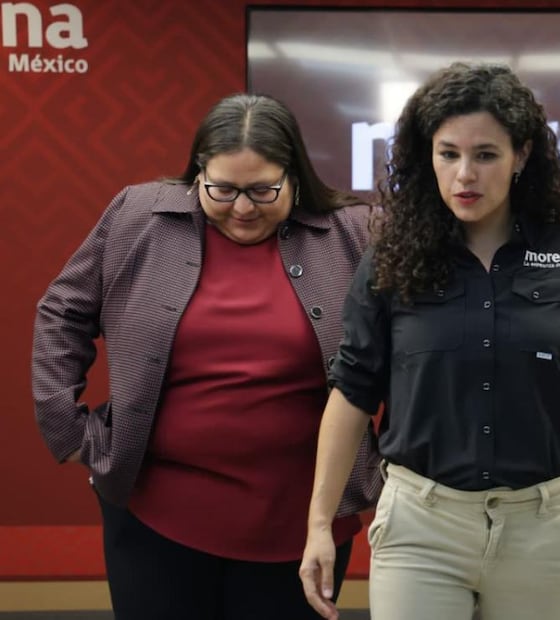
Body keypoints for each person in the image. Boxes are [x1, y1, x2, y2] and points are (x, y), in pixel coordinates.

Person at [299, 62, 560, 620]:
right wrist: (318, 524)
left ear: (521, 155)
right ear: (425, 155)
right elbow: (353, 390)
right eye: (448, 153)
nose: (464, 175)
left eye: (486, 155)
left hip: (542, 528)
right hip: (420, 525)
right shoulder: (390, 256)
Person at [31, 93, 380, 620]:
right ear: (198, 173)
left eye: (263, 190)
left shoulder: (353, 234)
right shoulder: (138, 216)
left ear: (296, 177)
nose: (242, 208)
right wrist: (65, 426)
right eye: (222, 189)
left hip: (304, 524)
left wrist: (394, 459)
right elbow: (62, 311)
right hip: (154, 515)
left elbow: (419, 343)